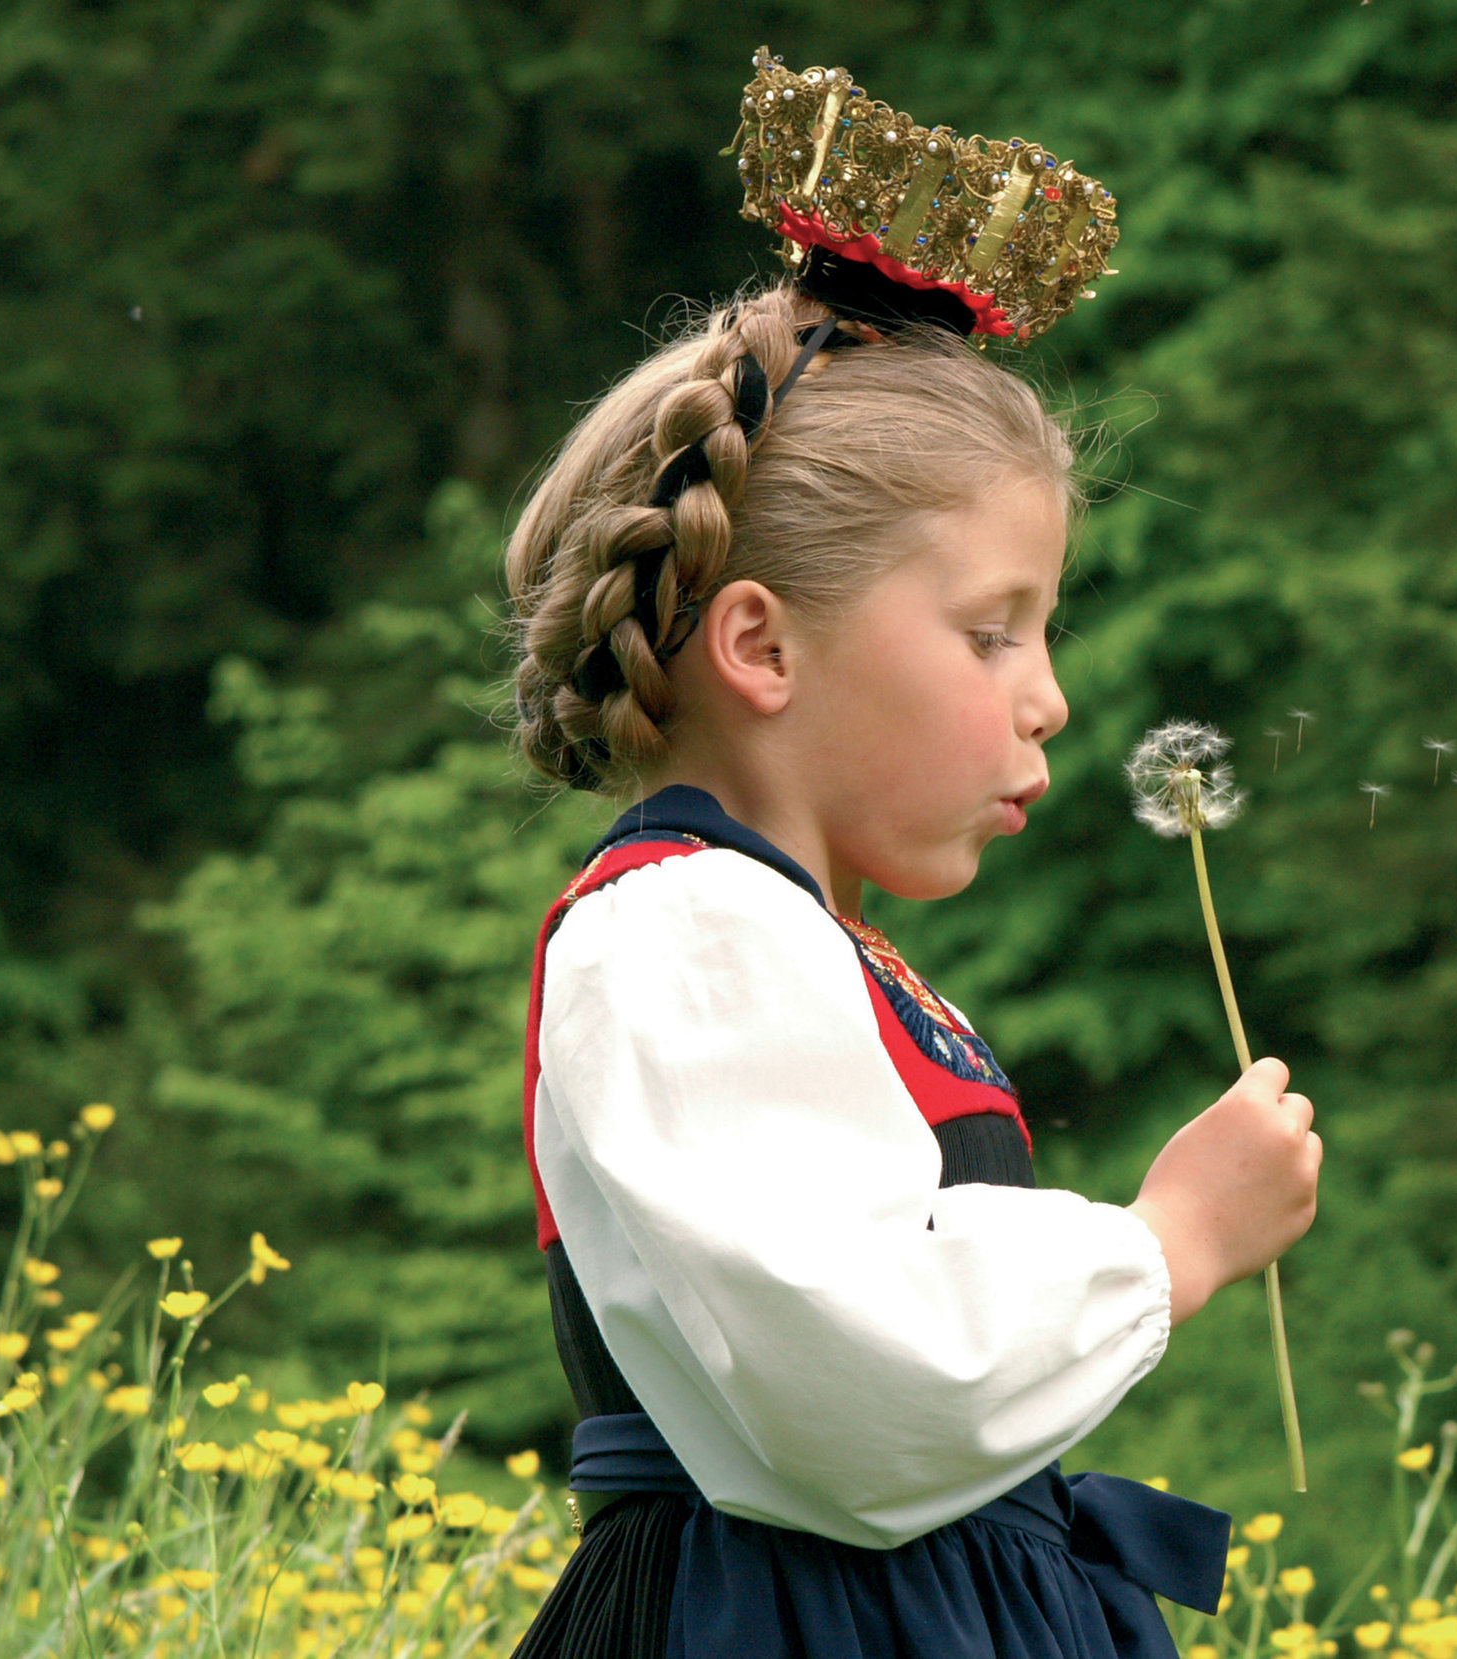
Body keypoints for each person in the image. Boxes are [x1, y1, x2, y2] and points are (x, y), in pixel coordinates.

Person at [498, 64, 1321, 1659]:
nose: (1051, 694)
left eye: (1046, 629)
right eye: (989, 630)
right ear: (761, 644)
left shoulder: (801, 942)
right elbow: (854, 1385)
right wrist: (1165, 1243)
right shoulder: (682, 932)